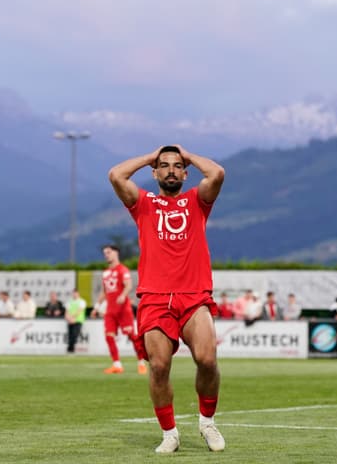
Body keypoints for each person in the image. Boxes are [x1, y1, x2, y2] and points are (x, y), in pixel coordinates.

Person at [109, 144, 225, 453]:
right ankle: (170, 433)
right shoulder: (144, 204)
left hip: (194, 294)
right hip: (155, 297)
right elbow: (116, 175)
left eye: (177, 166)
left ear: (186, 172)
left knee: (207, 359)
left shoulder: (197, 201)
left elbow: (217, 173)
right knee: (159, 367)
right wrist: (151, 155)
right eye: (164, 165)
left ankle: (207, 422)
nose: (171, 169)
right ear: (155, 172)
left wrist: (186, 153)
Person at [94, 244, 147, 374]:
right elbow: (103, 292)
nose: (106, 255)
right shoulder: (105, 273)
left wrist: (123, 295)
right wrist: (96, 307)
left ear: (116, 253)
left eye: (109, 252)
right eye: (105, 253)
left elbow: (128, 285)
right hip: (110, 310)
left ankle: (141, 362)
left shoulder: (123, 270)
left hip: (123, 309)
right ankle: (117, 365)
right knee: (109, 336)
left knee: (131, 336)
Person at [65, 288, 87, 353]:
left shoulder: (82, 301)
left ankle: (71, 348)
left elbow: (79, 311)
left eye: (75, 293)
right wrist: (68, 318)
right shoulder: (69, 302)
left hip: (78, 321)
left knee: (75, 334)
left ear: (78, 294)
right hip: (70, 321)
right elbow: (67, 311)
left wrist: (72, 317)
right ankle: (70, 349)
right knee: (70, 335)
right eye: (73, 293)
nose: (74, 294)